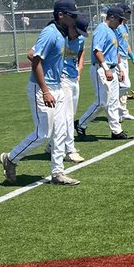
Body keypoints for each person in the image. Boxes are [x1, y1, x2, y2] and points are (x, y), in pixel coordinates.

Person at [0, 0, 81, 187]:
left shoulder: (61, 34)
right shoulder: (50, 33)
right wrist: (45, 91)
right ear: (61, 15)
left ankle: (58, 173)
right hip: (42, 88)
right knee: (43, 134)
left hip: (57, 87)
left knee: (60, 131)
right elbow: (35, 61)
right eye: (72, 15)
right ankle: (10, 158)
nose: (74, 19)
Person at [76, 6, 131, 140]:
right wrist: (106, 68)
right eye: (119, 20)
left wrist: (120, 68)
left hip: (112, 69)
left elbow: (116, 52)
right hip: (100, 68)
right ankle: (81, 124)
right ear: (111, 17)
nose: (121, 23)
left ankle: (116, 131)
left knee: (113, 102)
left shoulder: (113, 30)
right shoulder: (101, 29)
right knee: (102, 102)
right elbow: (97, 50)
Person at [60, 13, 89, 162]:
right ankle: (69, 150)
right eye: (77, 31)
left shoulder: (80, 39)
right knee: (67, 116)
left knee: (71, 114)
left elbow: (82, 51)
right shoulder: (61, 38)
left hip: (74, 78)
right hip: (62, 79)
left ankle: (53, 146)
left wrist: (80, 67)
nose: (78, 35)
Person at [117, 5, 134, 119]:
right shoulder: (117, 27)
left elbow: (126, 45)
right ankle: (113, 107)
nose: (130, 14)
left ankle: (123, 112)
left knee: (124, 88)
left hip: (124, 58)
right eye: (128, 12)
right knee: (125, 85)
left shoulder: (125, 27)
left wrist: (133, 58)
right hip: (118, 59)